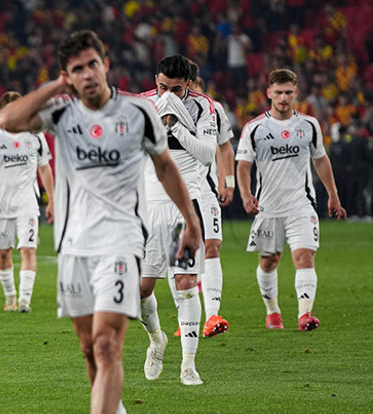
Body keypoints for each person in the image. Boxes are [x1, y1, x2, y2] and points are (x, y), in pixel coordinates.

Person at [0, 30, 201, 414]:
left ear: (105, 65)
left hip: (122, 242)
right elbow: (8, 120)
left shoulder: (138, 113)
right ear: (68, 76)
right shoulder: (62, 113)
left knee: (108, 345)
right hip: (74, 246)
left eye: (93, 64)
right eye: (77, 69)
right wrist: (57, 87)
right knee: (90, 349)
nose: (88, 74)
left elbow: (164, 165)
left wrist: (191, 221)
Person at [236, 68, 347, 331]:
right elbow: (243, 166)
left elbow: (321, 160)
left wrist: (333, 195)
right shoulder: (254, 128)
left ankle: (304, 314)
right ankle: (272, 312)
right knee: (268, 262)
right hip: (268, 206)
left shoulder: (309, 125)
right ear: (269, 93)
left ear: (296, 92)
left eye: (288, 92)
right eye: (279, 92)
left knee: (304, 257)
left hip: (301, 203)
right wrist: (246, 194)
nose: (283, 98)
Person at [138, 54, 217, 386]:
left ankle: (188, 364)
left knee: (185, 283)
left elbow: (208, 154)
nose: (167, 94)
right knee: (141, 290)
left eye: (175, 89)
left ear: (188, 85)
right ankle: (157, 340)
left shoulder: (202, 107)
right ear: (155, 81)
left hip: (186, 206)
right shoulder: (141, 105)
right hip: (148, 206)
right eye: (162, 87)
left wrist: (175, 126)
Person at [170, 61, 234, 338]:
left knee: (212, 246)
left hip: (205, 191)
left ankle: (212, 316)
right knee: (178, 256)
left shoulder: (212, 108)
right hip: (171, 194)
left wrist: (227, 181)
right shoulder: (162, 107)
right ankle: (186, 318)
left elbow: (224, 146)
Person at [0, 91, 54, 313]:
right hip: (1, 204)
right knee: (3, 252)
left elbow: (45, 168)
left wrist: (52, 200)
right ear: (2, 112)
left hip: (27, 203)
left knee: (28, 250)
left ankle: (24, 300)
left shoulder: (36, 136)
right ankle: (10, 296)